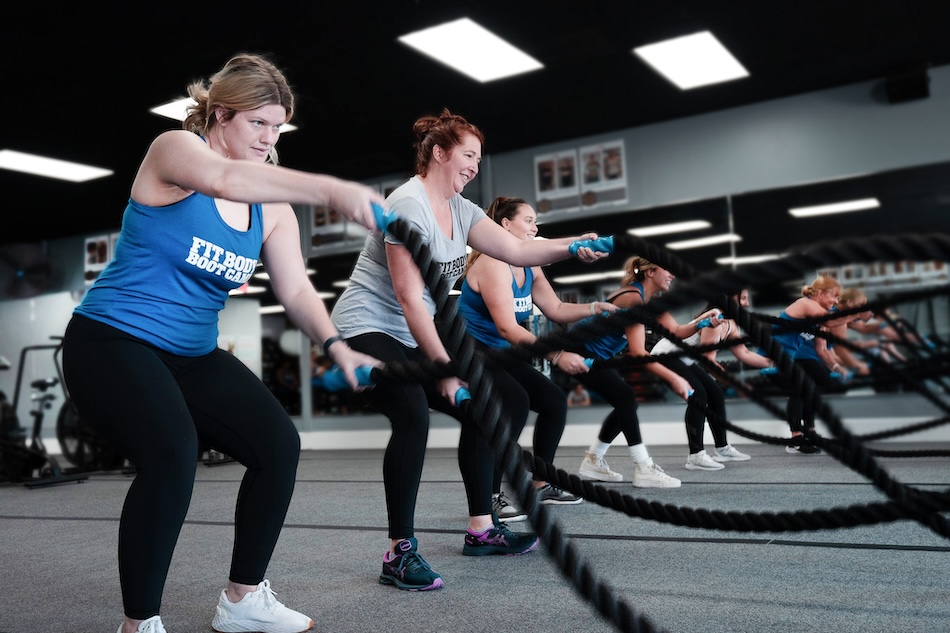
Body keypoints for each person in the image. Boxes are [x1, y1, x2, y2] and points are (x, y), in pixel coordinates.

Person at [61, 53, 385, 633]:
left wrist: (337, 344)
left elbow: (296, 290)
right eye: (257, 122)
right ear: (220, 113)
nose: (269, 137)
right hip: (112, 339)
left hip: (191, 352)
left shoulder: (272, 207)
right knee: (172, 457)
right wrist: (332, 188)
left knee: (277, 446)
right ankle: (140, 624)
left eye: (277, 126)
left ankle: (243, 600)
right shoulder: (175, 151)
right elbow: (225, 179)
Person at [330, 109, 609, 591]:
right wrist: (442, 369)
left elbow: (518, 251)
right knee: (412, 412)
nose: (475, 167)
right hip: (367, 327)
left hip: (414, 325)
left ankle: (482, 527)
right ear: (439, 153)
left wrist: (572, 246)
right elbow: (406, 298)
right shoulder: (407, 204)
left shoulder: (462, 210)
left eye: (479, 158)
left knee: (500, 400)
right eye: (468, 155)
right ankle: (399, 552)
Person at [457, 196, 619, 520]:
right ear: (505, 225)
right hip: (470, 351)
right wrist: (557, 354)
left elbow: (555, 309)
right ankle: (489, 497)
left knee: (553, 402)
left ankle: (540, 484)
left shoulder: (530, 264)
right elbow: (506, 327)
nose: (535, 227)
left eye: (535, 221)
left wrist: (595, 308)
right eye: (528, 220)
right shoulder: (491, 262)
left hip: (502, 353)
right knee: (514, 402)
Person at [572, 256, 720, 486]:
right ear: (650, 272)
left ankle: (594, 460)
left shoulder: (649, 301)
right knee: (626, 398)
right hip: (577, 351)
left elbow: (678, 331)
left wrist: (701, 321)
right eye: (667, 269)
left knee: (626, 401)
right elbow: (639, 353)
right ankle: (643, 467)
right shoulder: (634, 299)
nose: (672, 274)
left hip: (598, 356)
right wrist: (675, 378)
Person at [651, 288, 772, 470]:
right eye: (744, 299)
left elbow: (744, 353)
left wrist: (774, 363)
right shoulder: (715, 321)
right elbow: (708, 362)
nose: (746, 304)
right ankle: (696, 455)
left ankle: (722, 448)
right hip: (666, 355)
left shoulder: (731, 323)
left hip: (684, 358)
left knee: (715, 394)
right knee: (699, 395)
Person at [770, 275, 846, 454]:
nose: (835, 301)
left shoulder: (819, 320)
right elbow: (831, 320)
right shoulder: (805, 304)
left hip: (789, 358)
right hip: (772, 357)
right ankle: (796, 438)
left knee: (811, 388)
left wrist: (836, 368)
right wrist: (856, 313)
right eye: (833, 296)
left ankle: (809, 433)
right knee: (801, 388)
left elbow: (822, 350)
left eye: (838, 298)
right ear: (819, 293)